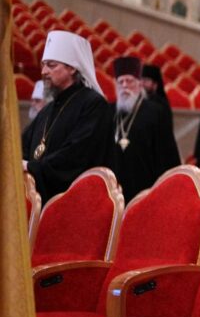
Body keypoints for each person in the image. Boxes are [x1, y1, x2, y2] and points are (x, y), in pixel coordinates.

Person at [21, 31, 114, 204]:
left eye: (51, 65)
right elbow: (23, 145)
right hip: (35, 201)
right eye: (43, 65)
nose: (43, 71)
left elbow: (77, 155)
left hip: (74, 206)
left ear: (72, 68)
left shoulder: (94, 105)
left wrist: (32, 167)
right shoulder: (48, 109)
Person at [108, 56, 180, 201]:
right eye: (120, 82)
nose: (125, 86)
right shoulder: (109, 112)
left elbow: (166, 156)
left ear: (139, 84)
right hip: (114, 189)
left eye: (129, 81)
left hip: (146, 187)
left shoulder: (156, 112)